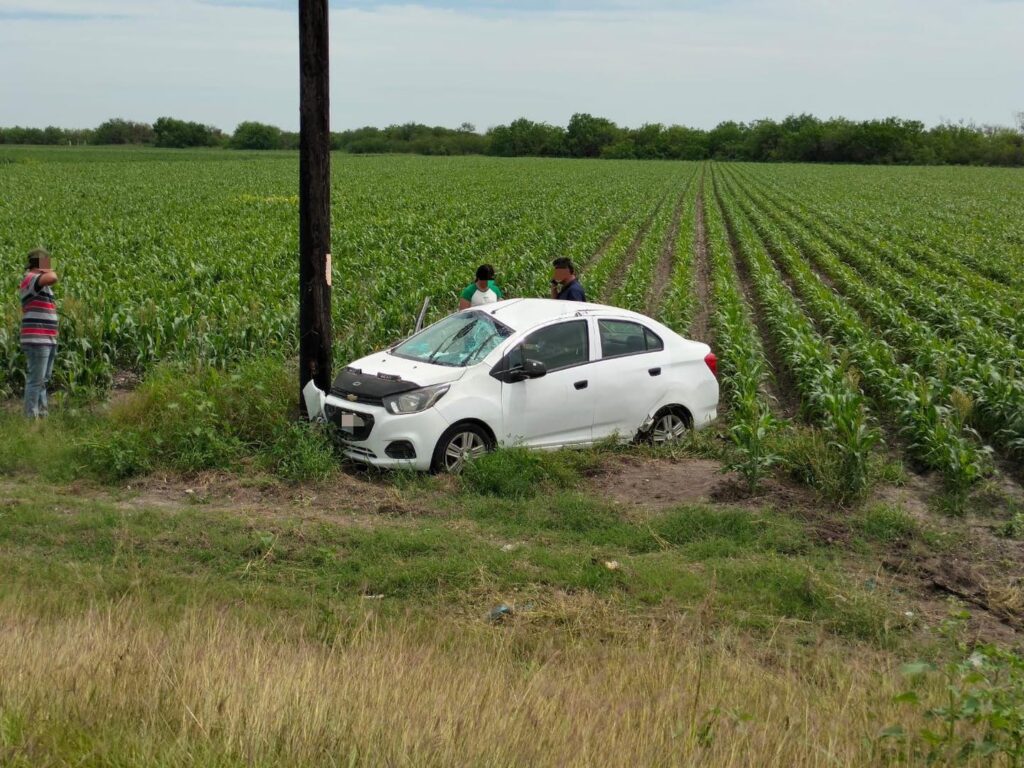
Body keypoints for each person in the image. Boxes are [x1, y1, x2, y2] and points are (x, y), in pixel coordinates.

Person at [19, 248, 59, 419]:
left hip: (46, 338)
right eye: (46, 262)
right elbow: (53, 277)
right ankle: (31, 419)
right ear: (40, 264)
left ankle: (42, 416)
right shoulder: (31, 279)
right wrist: (48, 270)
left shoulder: (38, 282)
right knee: (36, 380)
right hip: (38, 339)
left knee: (43, 379)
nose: (50, 265)